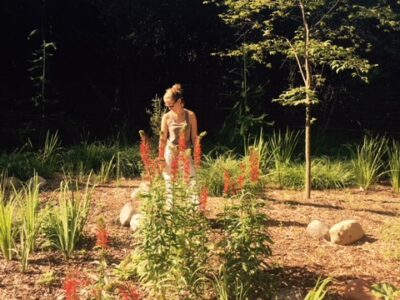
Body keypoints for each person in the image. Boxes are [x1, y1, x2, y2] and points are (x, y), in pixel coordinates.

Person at [160, 83, 198, 181]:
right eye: (167, 105)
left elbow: (194, 138)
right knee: (169, 181)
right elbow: (163, 139)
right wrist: (161, 158)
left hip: (185, 151)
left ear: (179, 101)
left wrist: (196, 156)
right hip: (170, 151)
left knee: (192, 180)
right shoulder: (166, 117)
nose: (169, 108)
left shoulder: (191, 115)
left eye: (171, 105)